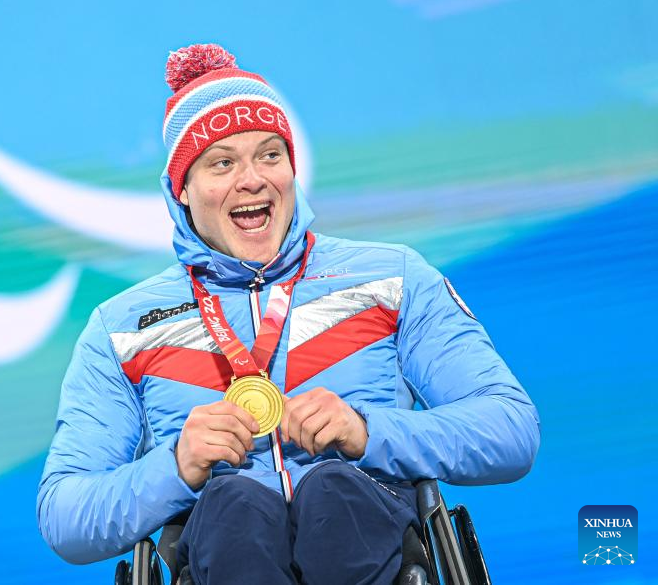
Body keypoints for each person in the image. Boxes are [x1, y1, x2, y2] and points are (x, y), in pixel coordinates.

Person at [36, 44, 540, 584]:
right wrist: (177, 465)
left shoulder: (391, 278)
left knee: (332, 489)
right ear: (181, 189)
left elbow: (510, 428)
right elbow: (65, 514)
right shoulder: (123, 327)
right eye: (222, 162)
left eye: (270, 155)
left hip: (368, 528)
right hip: (220, 550)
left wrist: (369, 431)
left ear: (292, 170)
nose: (252, 179)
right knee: (233, 504)